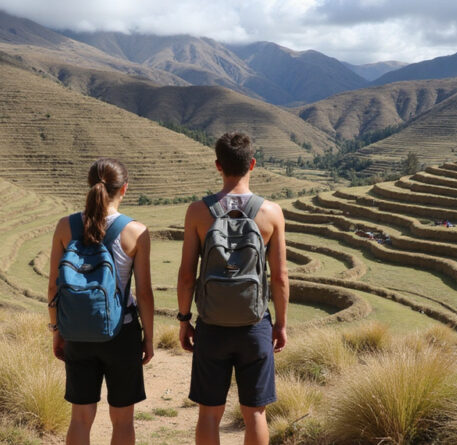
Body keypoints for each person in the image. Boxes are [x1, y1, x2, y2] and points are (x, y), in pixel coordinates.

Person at [177, 132, 290, 445]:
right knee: (255, 413)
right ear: (252, 164)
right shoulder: (271, 213)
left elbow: (187, 276)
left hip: (211, 327)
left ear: (218, 165)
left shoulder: (198, 212)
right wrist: (280, 324)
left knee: (209, 413)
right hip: (254, 326)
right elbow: (279, 277)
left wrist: (184, 319)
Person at [47, 158, 155, 445]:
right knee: (122, 421)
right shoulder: (135, 232)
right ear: (125, 189)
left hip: (77, 334)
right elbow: (144, 293)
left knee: (80, 419)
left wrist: (58, 331)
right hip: (122, 332)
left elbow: (52, 288)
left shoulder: (64, 226)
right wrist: (149, 339)